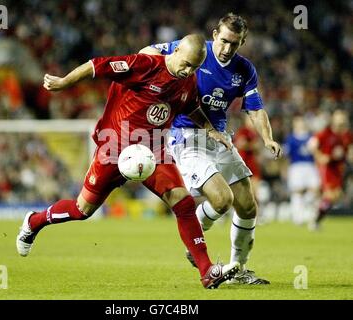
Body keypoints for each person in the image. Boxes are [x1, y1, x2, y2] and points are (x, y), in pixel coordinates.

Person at [16, 34, 240, 289]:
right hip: (114, 148)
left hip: (153, 149)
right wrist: (63, 82)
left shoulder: (187, 82)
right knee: (82, 210)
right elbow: (97, 65)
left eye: (194, 67)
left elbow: (190, 108)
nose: (188, 71)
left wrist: (210, 129)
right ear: (176, 51)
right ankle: (34, 221)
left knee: (184, 202)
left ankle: (207, 271)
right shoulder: (145, 65)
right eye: (186, 63)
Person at [140, 13, 282, 284]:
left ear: (242, 42)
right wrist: (139, 69)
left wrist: (267, 138)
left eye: (235, 44)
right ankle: (195, 235)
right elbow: (151, 52)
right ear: (215, 34)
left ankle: (237, 270)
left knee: (248, 206)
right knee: (222, 200)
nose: (228, 49)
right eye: (225, 41)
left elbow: (255, 107)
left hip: (218, 137)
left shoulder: (244, 69)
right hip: (186, 135)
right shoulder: (196, 50)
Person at [308, 109, 353, 230]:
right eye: (339, 118)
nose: (341, 121)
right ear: (333, 119)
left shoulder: (347, 135)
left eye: (343, 118)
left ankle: (317, 214)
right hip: (326, 167)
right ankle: (315, 216)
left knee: (336, 196)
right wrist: (320, 156)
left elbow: (349, 150)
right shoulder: (326, 133)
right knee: (330, 195)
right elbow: (312, 144)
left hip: (338, 168)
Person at [284, 115, 320, 226]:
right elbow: (286, 156)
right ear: (294, 124)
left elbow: (317, 152)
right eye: (297, 122)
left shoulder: (311, 137)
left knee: (315, 190)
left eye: (301, 121)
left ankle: (311, 215)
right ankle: (297, 217)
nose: (300, 124)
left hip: (310, 165)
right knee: (297, 191)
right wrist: (285, 169)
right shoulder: (290, 138)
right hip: (296, 167)